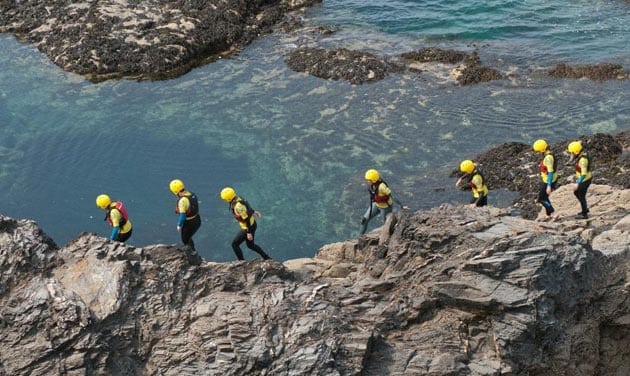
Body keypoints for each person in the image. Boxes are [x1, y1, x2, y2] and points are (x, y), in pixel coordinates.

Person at [220, 187, 271, 261]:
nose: (224, 200)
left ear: (228, 199)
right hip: (252, 224)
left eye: (225, 199)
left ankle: (241, 261)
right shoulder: (238, 198)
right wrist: (253, 212)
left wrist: (249, 232)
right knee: (251, 245)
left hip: (248, 227)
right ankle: (267, 258)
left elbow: (246, 218)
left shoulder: (238, 206)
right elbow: (247, 207)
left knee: (234, 244)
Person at [360, 169, 409, 235]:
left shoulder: (382, 187)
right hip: (376, 205)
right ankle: (359, 237)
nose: (367, 181)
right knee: (364, 220)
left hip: (385, 208)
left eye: (369, 180)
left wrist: (401, 206)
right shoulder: (372, 185)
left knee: (386, 226)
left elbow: (392, 196)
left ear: (373, 180)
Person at [169, 179, 201, 250]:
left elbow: (183, 215)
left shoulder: (182, 201)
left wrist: (179, 225)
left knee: (185, 239)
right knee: (189, 237)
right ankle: (193, 251)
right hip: (197, 220)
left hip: (189, 223)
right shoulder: (191, 194)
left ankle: (192, 254)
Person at [532, 139, 559, 220]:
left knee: (541, 199)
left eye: (538, 151)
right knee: (545, 197)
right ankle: (548, 214)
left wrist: (549, 185)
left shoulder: (548, 158)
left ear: (542, 150)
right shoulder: (548, 154)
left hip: (548, 180)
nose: (537, 153)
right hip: (548, 179)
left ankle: (553, 212)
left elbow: (550, 172)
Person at [568, 140, 592, 219]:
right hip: (584, 179)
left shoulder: (582, 160)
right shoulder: (581, 154)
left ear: (576, 152)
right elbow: (579, 143)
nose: (571, 154)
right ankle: (585, 208)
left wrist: (578, 183)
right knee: (576, 193)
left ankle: (584, 214)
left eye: (572, 152)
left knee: (581, 196)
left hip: (585, 180)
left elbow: (584, 173)